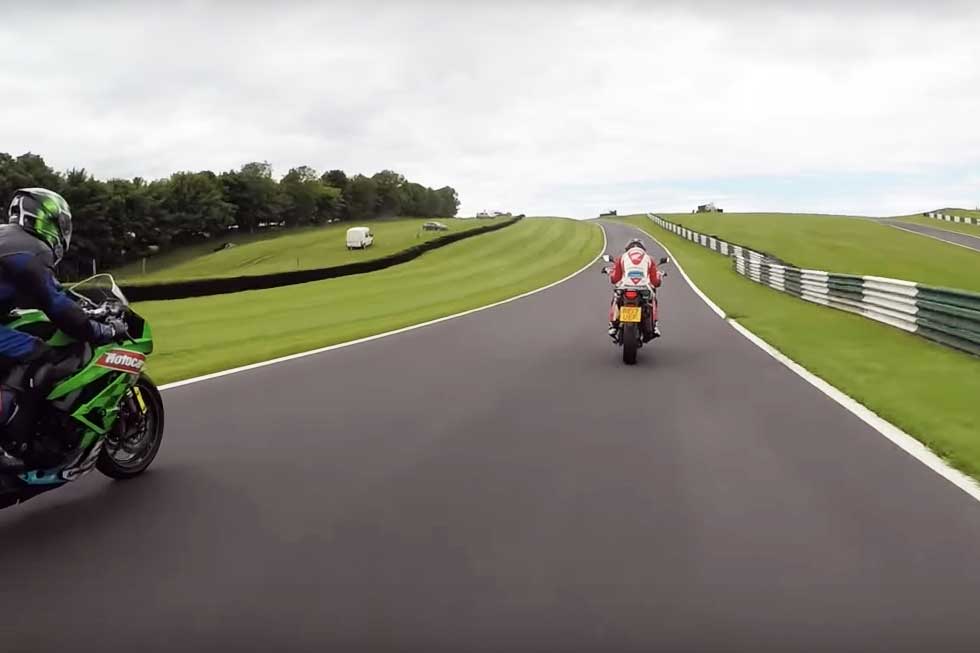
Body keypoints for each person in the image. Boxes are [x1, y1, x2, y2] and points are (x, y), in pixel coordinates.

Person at [0, 188, 126, 471]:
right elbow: (58, 309)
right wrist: (103, 330)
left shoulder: (9, 239)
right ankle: (10, 443)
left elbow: (49, 291)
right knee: (38, 354)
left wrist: (83, 308)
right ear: (47, 220)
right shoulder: (33, 249)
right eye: (63, 223)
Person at [607, 237, 662, 340]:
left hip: (626, 287)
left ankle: (613, 324)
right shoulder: (649, 259)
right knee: (653, 299)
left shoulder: (622, 257)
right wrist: (659, 279)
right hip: (643, 288)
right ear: (643, 248)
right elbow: (655, 282)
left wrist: (610, 274)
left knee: (616, 299)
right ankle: (654, 325)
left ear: (627, 248)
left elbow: (615, 279)